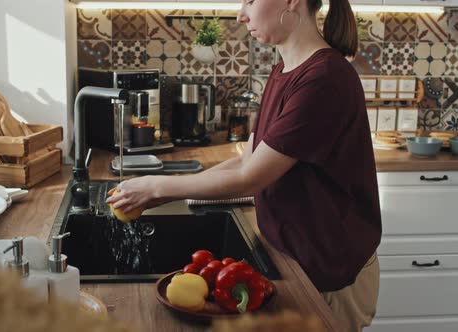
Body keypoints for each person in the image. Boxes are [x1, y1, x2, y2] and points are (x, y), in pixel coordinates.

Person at [107, 0, 382, 330]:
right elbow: (248, 160)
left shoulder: (325, 78)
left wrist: (157, 189)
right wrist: (163, 188)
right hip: (295, 257)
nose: (241, 14)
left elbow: (250, 178)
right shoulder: (285, 71)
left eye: (250, 0)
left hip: (329, 273)